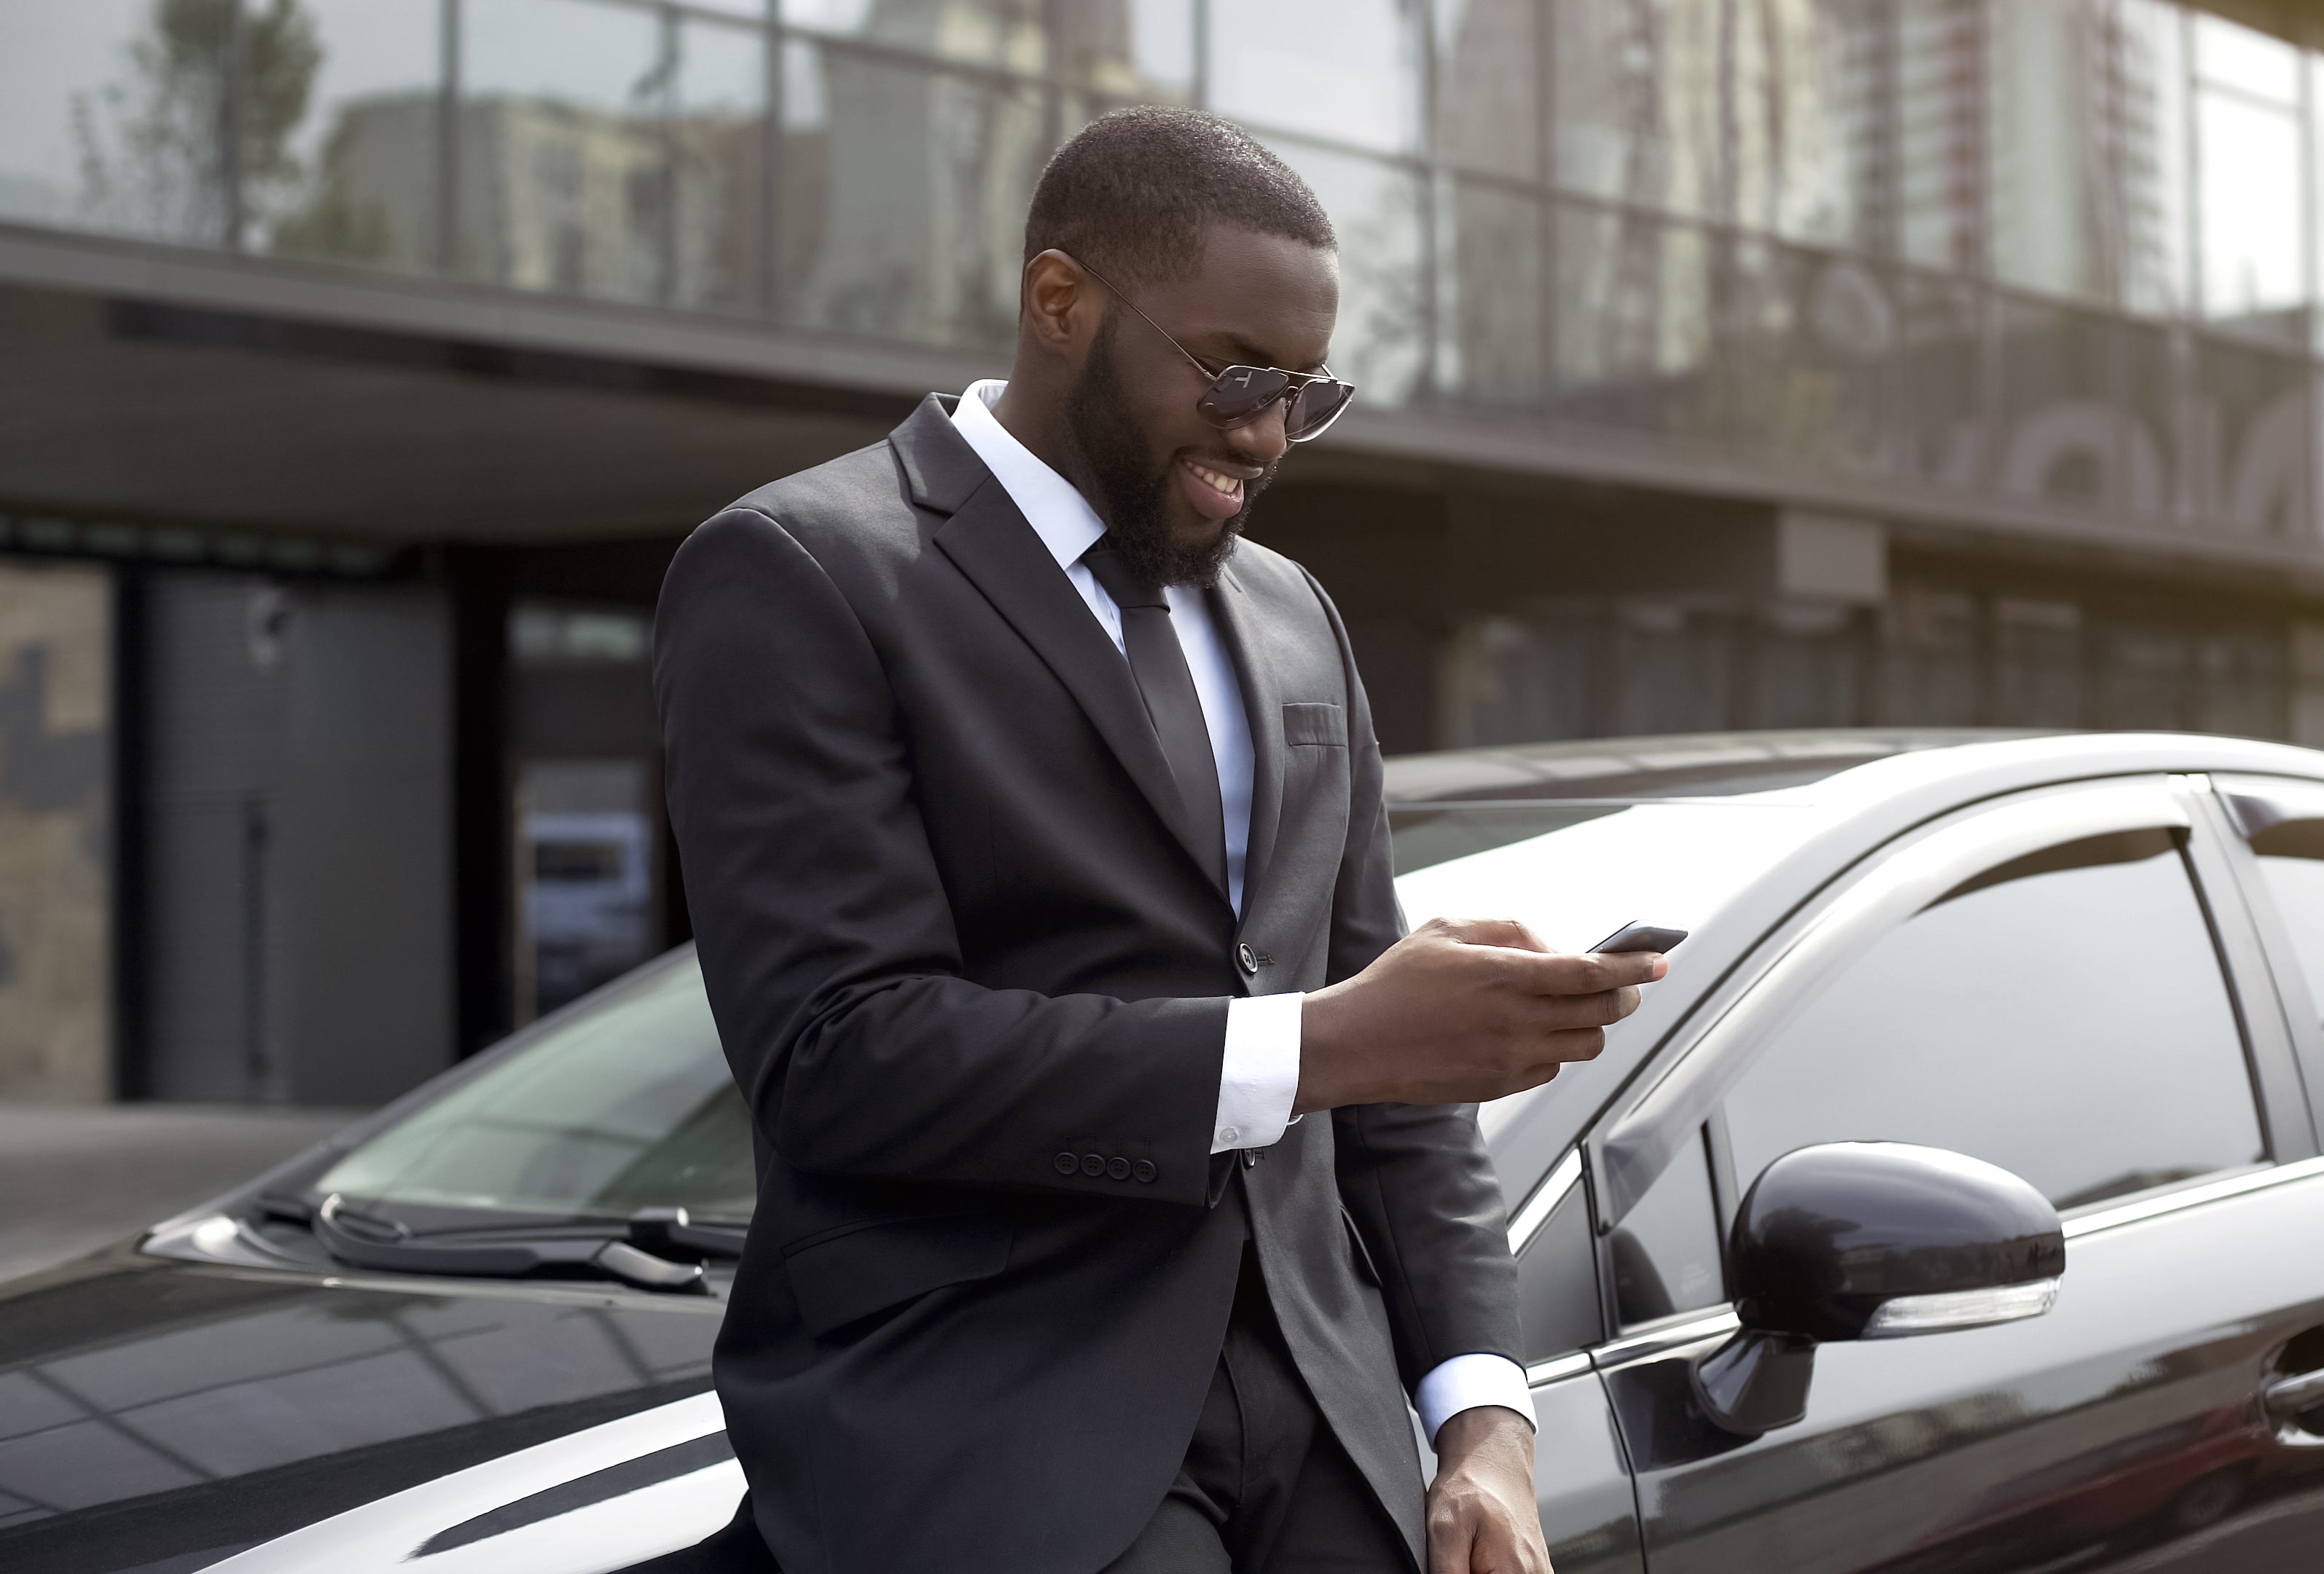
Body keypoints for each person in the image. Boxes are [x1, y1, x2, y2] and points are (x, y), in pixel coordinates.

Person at [652, 106, 1664, 1574]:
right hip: (989, 1421)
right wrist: (1324, 1045)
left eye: (1307, 392)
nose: (1264, 433)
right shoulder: (804, 572)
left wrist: (1482, 1418)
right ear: (1062, 302)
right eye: (1236, 373)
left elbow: (1402, 1081)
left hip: (1328, 1421)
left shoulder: (1294, 613)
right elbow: (836, 1058)